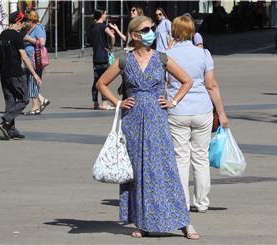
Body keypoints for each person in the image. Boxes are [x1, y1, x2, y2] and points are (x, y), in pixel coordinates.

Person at [96, 16, 200, 240]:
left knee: (166, 169)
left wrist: (173, 101)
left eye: (152, 28)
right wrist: (118, 103)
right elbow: (101, 83)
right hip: (132, 120)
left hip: (157, 119)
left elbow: (187, 81)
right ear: (134, 35)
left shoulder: (161, 58)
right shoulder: (124, 59)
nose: (151, 32)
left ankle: (184, 222)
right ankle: (143, 222)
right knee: (138, 172)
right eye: (146, 29)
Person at [166, 16, 229, 213]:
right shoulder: (204, 54)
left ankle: (182, 202)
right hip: (202, 109)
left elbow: (163, 83)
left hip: (176, 109)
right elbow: (211, 85)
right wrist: (222, 113)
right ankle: (201, 202)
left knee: (180, 157)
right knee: (200, 157)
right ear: (192, 32)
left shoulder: (165, 55)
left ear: (173, 32)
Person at [0, 11, 42, 139]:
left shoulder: (2, 35)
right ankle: (6, 121)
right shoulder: (17, 36)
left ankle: (11, 130)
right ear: (18, 22)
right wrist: (35, 74)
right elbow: (24, 57)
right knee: (24, 98)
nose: (23, 25)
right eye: (23, 23)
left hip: (4, 72)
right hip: (16, 72)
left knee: (10, 100)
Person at [23, 10, 50, 115]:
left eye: (27, 20)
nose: (25, 23)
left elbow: (42, 42)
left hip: (35, 58)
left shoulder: (38, 27)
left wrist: (29, 39)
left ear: (32, 19)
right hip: (29, 58)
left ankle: (35, 106)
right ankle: (42, 100)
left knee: (33, 80)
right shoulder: (30, 29)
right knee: (29, 81)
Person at [90, 9, 116, 110]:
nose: (106, 16)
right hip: (104, 56)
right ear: (101, 15)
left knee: (96, 80)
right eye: (105, 14)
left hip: (96, 57)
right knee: (104, 81)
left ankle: (95, 102)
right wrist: (111, 46)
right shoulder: (103, 26)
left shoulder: (92, 27)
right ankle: (104, 103)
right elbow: (112, 36)